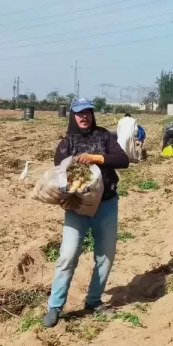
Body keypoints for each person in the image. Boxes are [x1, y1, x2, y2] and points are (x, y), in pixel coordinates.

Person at [43, 98, 130, 328]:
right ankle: (54, 306)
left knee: (105, 255)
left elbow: (123, 160)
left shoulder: (104, 136)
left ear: (92, 115)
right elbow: (60, 175)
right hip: (78, 207)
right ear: (73, 116)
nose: (84, 117)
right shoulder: (66, 144)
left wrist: (96, 158)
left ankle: (93, 301)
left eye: (88, 113)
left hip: (106, 203)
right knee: (68, 254)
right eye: (79, 114)